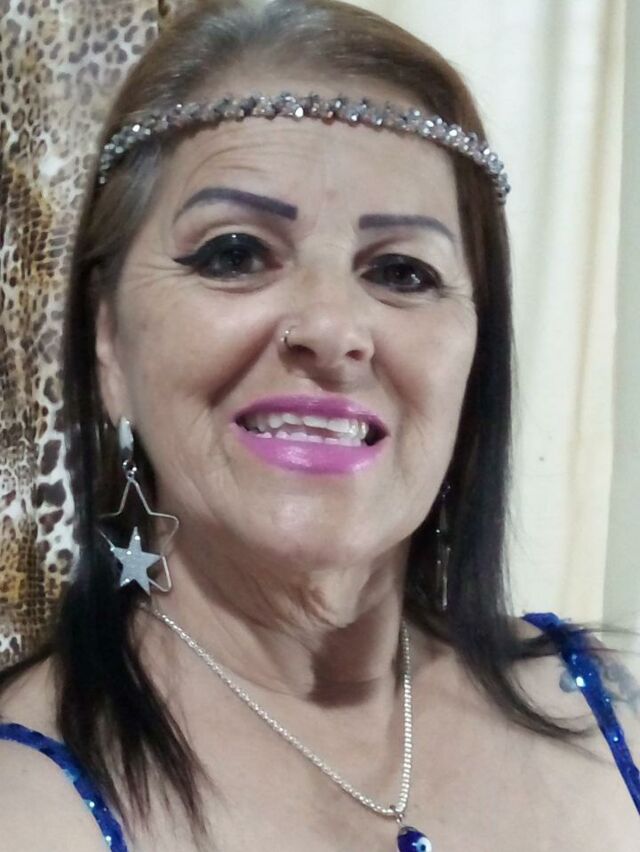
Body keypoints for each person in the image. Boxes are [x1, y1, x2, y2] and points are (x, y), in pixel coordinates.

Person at [0, 1, 638, 850]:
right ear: (110, 342)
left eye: (403, 272)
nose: (333, 328)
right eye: (235, 253)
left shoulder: (608, 717)